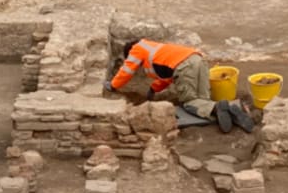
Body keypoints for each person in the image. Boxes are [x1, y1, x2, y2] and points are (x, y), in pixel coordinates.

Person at [103, 38, 260, 132]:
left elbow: (127, 70)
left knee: (190, 103)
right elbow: (168, 76)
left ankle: (217, 107)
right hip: (199, 60)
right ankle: (232, 110)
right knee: (202, 100)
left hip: (185, 67)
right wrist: (153, 88)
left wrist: (113, 85)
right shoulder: (156, 49)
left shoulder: (137, 50)